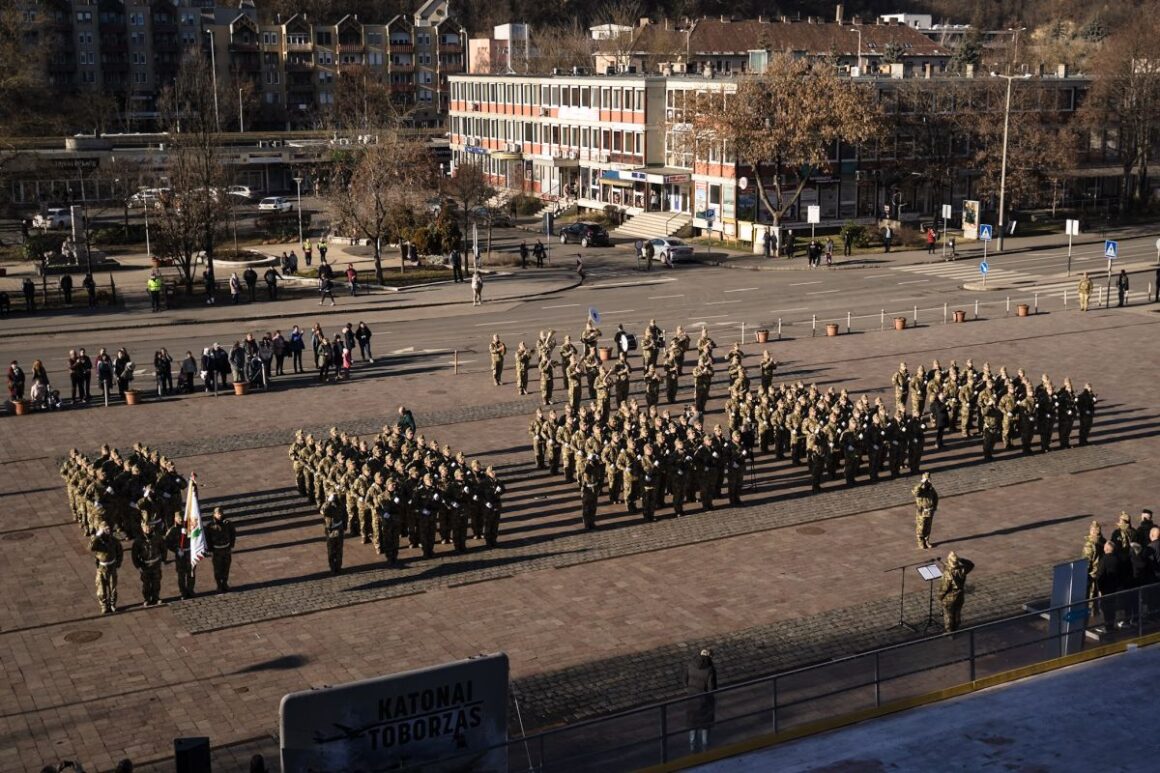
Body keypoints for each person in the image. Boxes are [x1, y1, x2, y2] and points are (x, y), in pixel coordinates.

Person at [684, 648, 717, 753]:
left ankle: (692, 750)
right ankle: (705, 751)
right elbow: (712, 687)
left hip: (692, 698)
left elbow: (685, 680)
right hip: (704, 700)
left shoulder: (690, 665)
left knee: (692, 724)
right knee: (705, 725)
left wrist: (690, 689)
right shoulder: (710, 669)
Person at [131, 521, 166, 606]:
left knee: (156, 582)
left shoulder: (157, 537)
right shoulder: (138, 540)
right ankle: (147, 599)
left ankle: (156, 597)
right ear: (142, 528)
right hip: (145, 566)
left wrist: (163, 560)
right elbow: (134, 555)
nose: (147, 529)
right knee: (146, 584)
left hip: (156, 564)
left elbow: (163, 549)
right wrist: (138, 566)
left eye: (149, 527)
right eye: (145, 527)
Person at [90, 525, 123, 614]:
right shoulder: (98, 542)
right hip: (101, 568)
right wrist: (97, 536)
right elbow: (91, 547)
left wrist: (118, 563)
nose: (108, 530)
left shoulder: (114, 541)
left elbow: (120, 552)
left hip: (112, 566)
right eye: (105, 529)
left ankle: (112, 604)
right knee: (101, 589)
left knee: (113, 588)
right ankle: (104, 605)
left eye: (108, 528)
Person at [938, 552, 975, 632]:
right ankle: (957, 627)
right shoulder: (962, 569)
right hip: (960, 595)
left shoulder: (948, 574)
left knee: (949, 615)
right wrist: (961, 559)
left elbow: (944, 588)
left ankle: (950, 632)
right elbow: (971, 564)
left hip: (949, 598)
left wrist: (940, 597)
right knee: (957, 612)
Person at [204, 507, 236, 592]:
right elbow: (207, 538)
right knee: (217, 569)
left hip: (226, 549)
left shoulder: (228, 524)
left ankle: (225, 583)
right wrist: (210, 549)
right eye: (218, 513)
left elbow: (233, 534)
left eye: (221, 513)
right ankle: (219, 585)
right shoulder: (210, 526)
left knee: (226, 568)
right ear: (214, 514)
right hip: (216, 551)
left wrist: (231, 545)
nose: (220, 515)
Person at [912, 471, 938, 549]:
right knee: (921, 527)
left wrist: (934, 507)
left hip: (929, 510)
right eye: (926, 479)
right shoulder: (920, 489)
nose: (928, 481)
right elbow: (915, 492)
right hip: (922, 510)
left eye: (928, 479)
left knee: (928, 526)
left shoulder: (931, 488)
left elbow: (935, 497)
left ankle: (926, 541)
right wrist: (922, 483)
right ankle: (920, 542)